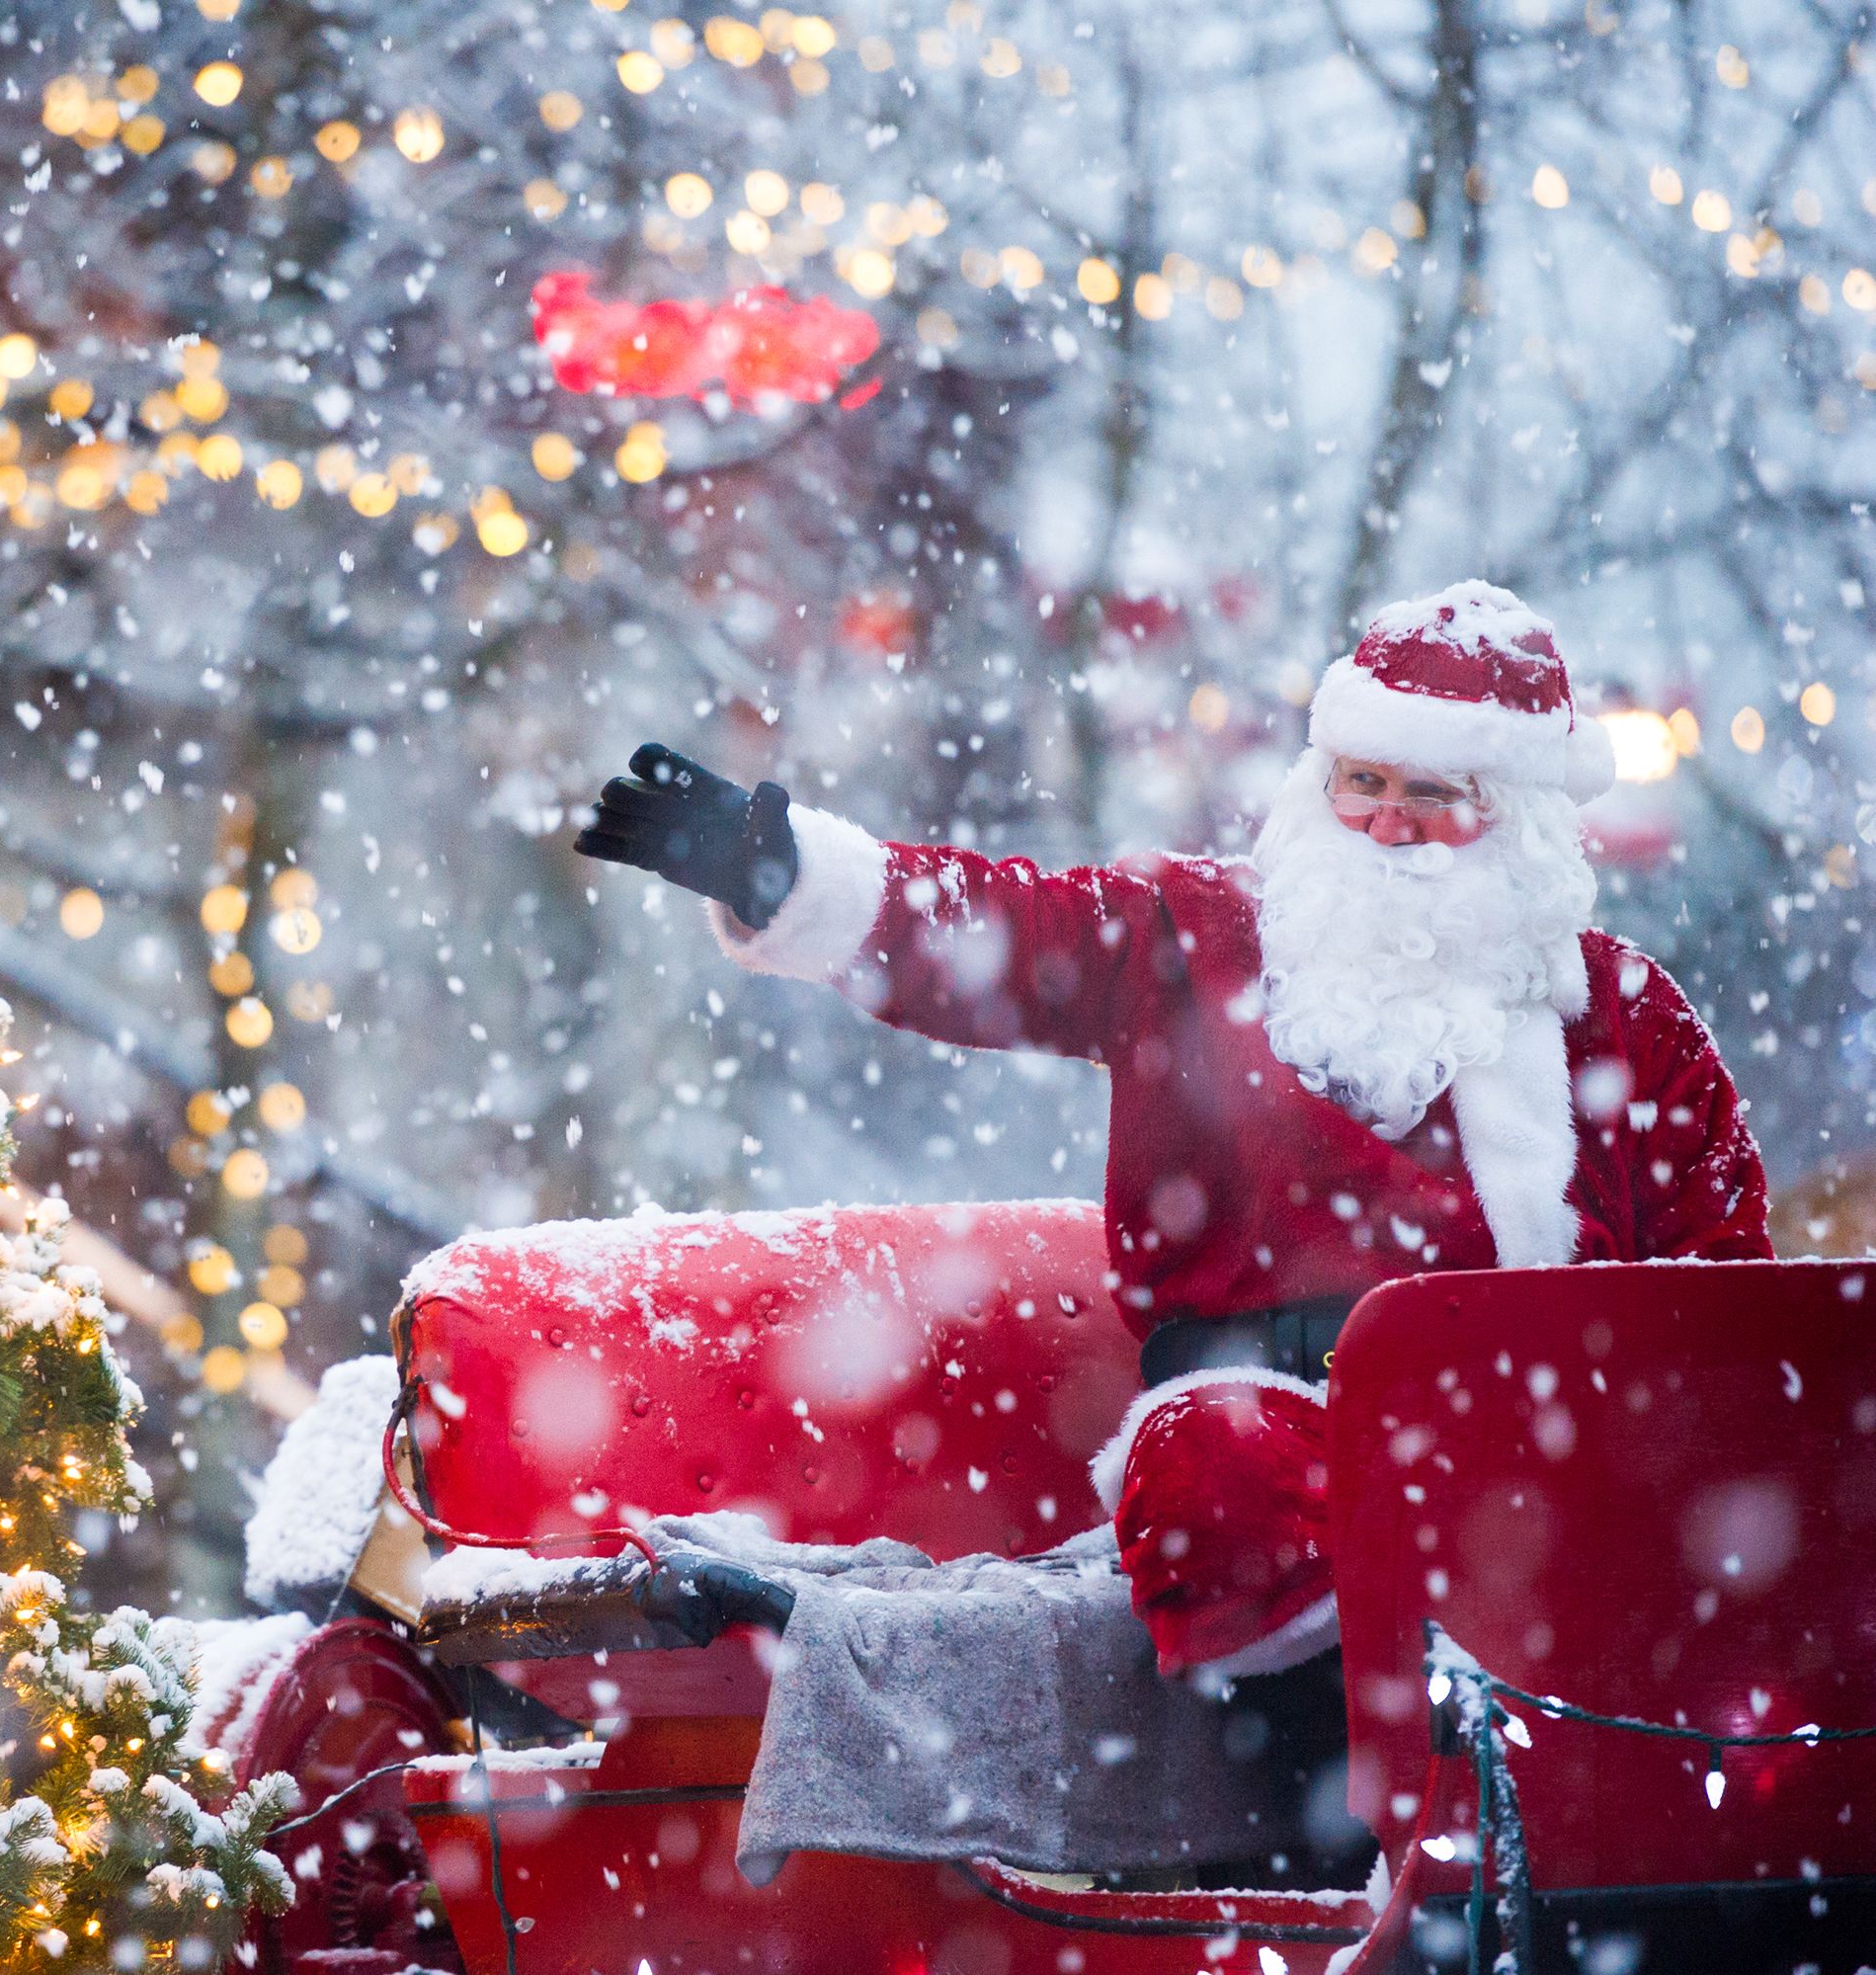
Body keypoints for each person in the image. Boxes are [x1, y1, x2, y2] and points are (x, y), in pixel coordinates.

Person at [576, 580, 1771, 1683]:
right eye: (1363, 784)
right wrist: (786, 874)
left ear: (1513, 819)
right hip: (1267, 1452)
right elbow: (1003, 932)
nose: (1387, 827)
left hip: (1530, 1456)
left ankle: (1506, 1725)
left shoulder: (1619, 1018)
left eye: (1436, 797)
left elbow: (1730, 1302)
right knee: (1214, 1461)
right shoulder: (1195, 938)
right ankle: (1375, 1758)